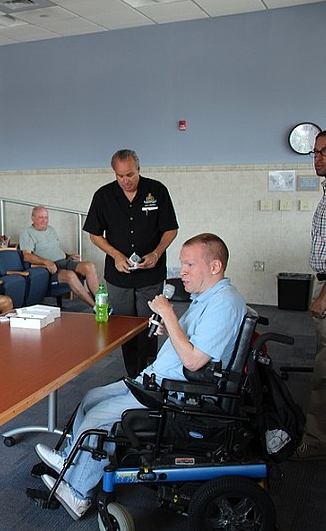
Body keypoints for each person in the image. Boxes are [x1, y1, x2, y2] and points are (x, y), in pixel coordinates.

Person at [34, 233, 245, 521]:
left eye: (189, 265)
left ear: (214, 267)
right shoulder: (206, 298)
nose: (180, 271)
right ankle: (70, 462)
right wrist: (170, 329)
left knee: (97, 418)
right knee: (90, 398)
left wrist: (169, 316)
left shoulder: (224, 304)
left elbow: (195, 361)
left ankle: (78, 493)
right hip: (156, 380)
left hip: (175, 392)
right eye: (182, 264)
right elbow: (193, 343)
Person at [83, 149, 179, 378]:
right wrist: (115, 255)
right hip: (119, 275)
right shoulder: (103, 195)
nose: (126, 181)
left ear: (139, 169)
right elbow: (94, 234)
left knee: (149, 325)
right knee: (124, 328)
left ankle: (149, 374)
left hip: (150, 274)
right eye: (120, 176)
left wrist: (156, 253)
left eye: (130, 175)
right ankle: (132, 374)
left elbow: (170, 229)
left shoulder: (157, 190)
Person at [294, 128, 326, 461]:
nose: (318, 158)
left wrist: (325, 295)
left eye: (325, 151)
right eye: (315, 152)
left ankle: (317, 444)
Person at [19, 206, 99, 308]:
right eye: (41, 217)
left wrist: (68, 255)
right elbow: (26, 256)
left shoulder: (51, 229)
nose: (45, 221)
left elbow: (54, 250)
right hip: (48, 268)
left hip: (64, 261)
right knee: (70, 275)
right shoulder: (27, 233)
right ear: (33, 218)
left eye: (46, 217)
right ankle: (95, 307)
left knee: (89, 266)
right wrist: (46, 262)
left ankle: (101, 303)